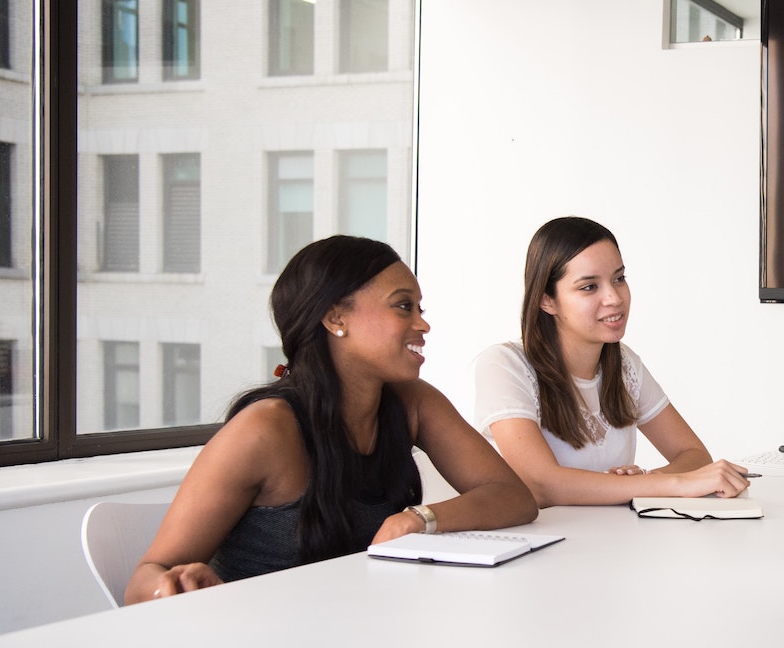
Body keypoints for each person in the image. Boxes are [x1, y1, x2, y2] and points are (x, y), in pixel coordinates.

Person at [127, 236, 537, 604]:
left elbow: (513, 497)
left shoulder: (413, 402)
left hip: (356, 636)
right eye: (402, 306)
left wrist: (418, 519)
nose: (422, 323)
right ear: (336, 318)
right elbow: (144, 582)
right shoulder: (265, 430)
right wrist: (175, 587)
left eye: (419, 308)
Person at [472, 216, 749, 507]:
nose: (614, 298)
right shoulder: (504, 365)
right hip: (542, 546)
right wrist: (660, 484)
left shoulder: (624, 363)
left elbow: (693, 454)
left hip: (614, 542)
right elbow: (542, 485)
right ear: (547, 300)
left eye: (619, 279)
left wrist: (642, 481)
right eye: (589, 287)